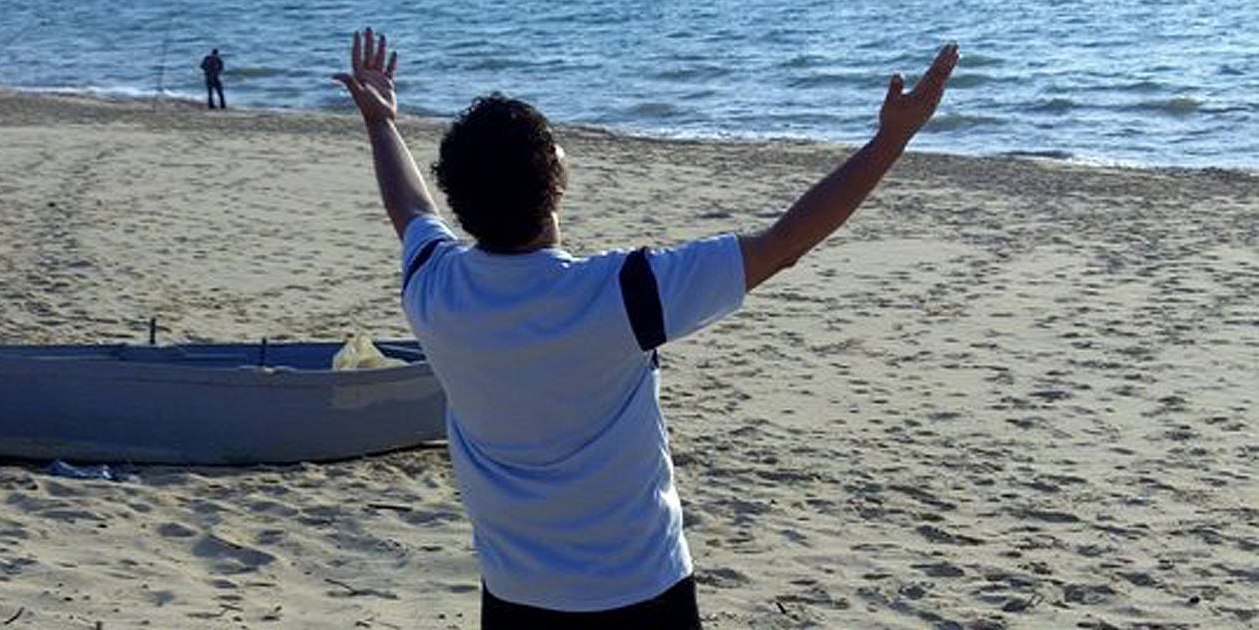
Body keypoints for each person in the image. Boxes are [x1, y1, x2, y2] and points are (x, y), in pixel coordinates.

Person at [333, 28, 958, 628]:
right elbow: (785, 243)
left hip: (516, 596)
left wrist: (382, 122)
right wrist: (890, 141)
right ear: (555, 188)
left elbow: (411, 209)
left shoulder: (435, 289)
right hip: (639, 589)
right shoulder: (623, 293)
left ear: (463, 203)